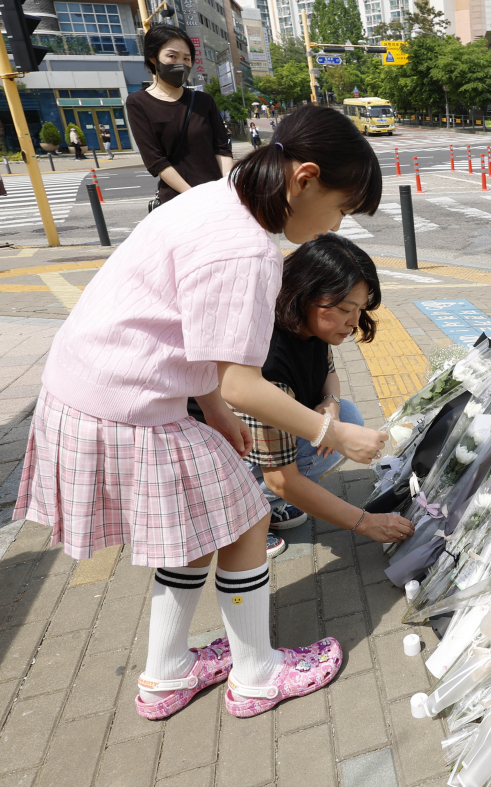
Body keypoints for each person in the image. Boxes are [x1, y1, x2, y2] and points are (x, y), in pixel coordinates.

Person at [12, 104, 409, 724]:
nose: (337, 222)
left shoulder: (214, 199)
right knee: (246, 519)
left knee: (201, 531)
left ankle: (166, 675)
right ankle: (257, 675)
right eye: (339, 206)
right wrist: (337, 433)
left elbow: (191, 338)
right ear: (304, 178)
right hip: (127, 404)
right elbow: (245, 385)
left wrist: (213, 411)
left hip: (94, 389)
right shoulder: (246, 252)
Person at [191, 234, 412, 550]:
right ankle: (241, 516)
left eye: (360, 309)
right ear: (307, 294)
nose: (353, 322)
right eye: (345, 309)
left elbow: (329, 372)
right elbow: (281, 478)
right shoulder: (267, 361)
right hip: (214, 456)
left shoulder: (311, 324)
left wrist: (330, 405)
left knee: (347, 414)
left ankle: (265, 504)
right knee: (284, 477)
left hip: (256, 437)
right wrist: (368, 523)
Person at [127, 24, 233, 207]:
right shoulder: (138, 102)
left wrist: (227, 188)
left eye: (186, 58)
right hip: (179, 202)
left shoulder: (204, 101)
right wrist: (193, 195)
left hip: (218, 197)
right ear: (153, 58)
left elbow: (222, 149)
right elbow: (156, 161)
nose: (181, 64)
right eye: (172, 56)